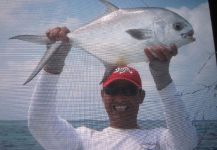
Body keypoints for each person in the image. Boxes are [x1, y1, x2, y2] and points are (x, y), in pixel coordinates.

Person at [28, 27, 198, 150]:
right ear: (102, 95)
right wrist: (53, 66)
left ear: (141, 96)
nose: (120, 98)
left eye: (128, 90)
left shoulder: (159, 139)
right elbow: (40, 124)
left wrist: (162, 77)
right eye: (112, 90)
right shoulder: (83, 140)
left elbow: (186, 143)